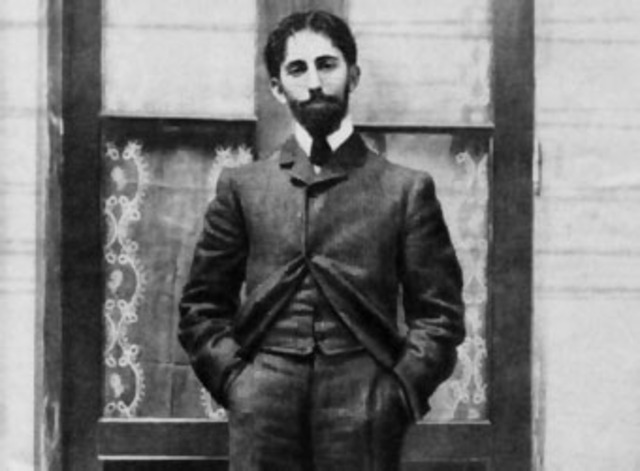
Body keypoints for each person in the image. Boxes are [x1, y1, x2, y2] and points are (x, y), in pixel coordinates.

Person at [178, 10, 465, 471]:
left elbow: (440, 316)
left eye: (327, 65)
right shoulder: (243, 187)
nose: (314, 82)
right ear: (278, 88)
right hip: (263, 406)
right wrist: (236, 382)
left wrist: (398, 392)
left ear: (354, 74)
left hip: (365, 405)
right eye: (297, 69)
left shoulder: (405, 189)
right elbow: (201, 307)